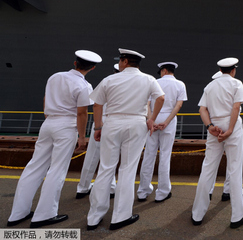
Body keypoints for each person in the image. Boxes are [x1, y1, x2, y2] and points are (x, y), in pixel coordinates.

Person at [7, 50, 101, 228]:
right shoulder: (85, 86)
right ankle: (44, 215)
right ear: (93, 68)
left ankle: (18, 213)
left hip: (48, 123)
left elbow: (45, 98)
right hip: (66, 126)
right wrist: (82, 137)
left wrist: (49, 117)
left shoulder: (54, 77)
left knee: (34, 166)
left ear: (75, 63)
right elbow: (82, 113)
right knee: (57, 169)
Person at [87, 49, 165, 231]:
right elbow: (160, 98)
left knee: (105, 169)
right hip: (136, 123)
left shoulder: (109, 79)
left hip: (112, 123)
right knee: (128, 169)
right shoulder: (149, 79)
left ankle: (94, 217)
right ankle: (120, 217)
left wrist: (98, 127)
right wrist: (152, 118)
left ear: (124, 61)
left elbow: (97, 104)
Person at [191, 57, 243, 229]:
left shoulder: (210, 86)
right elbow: (236, 107)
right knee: (234, 169)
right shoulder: (236, 83)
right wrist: (230, 129)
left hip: (214, 125)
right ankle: (237, 217)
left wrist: (209, 126)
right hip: (231, 125)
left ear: (220, 69)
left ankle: (197, 214)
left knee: (208, 167)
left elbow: (202, 109)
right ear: (233, 70)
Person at [137, 62, 187, 202]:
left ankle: (143, 191)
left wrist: (151, 120)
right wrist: (167, 121)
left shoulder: (154, 82)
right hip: (169, 119)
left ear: (164, 70)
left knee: (148, 155)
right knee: (165, 156)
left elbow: (147, 103)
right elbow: (179, 105)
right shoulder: (180, 84)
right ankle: (163, 192)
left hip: (153, 117)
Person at [76, 63, 119, 200]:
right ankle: (111, 188)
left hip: (101, 119)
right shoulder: (130, 84)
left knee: (91, 156)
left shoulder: (105, 82)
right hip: (115, 121)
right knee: (110, 156)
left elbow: (96, 104)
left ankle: (83, 187)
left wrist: (98, 126)